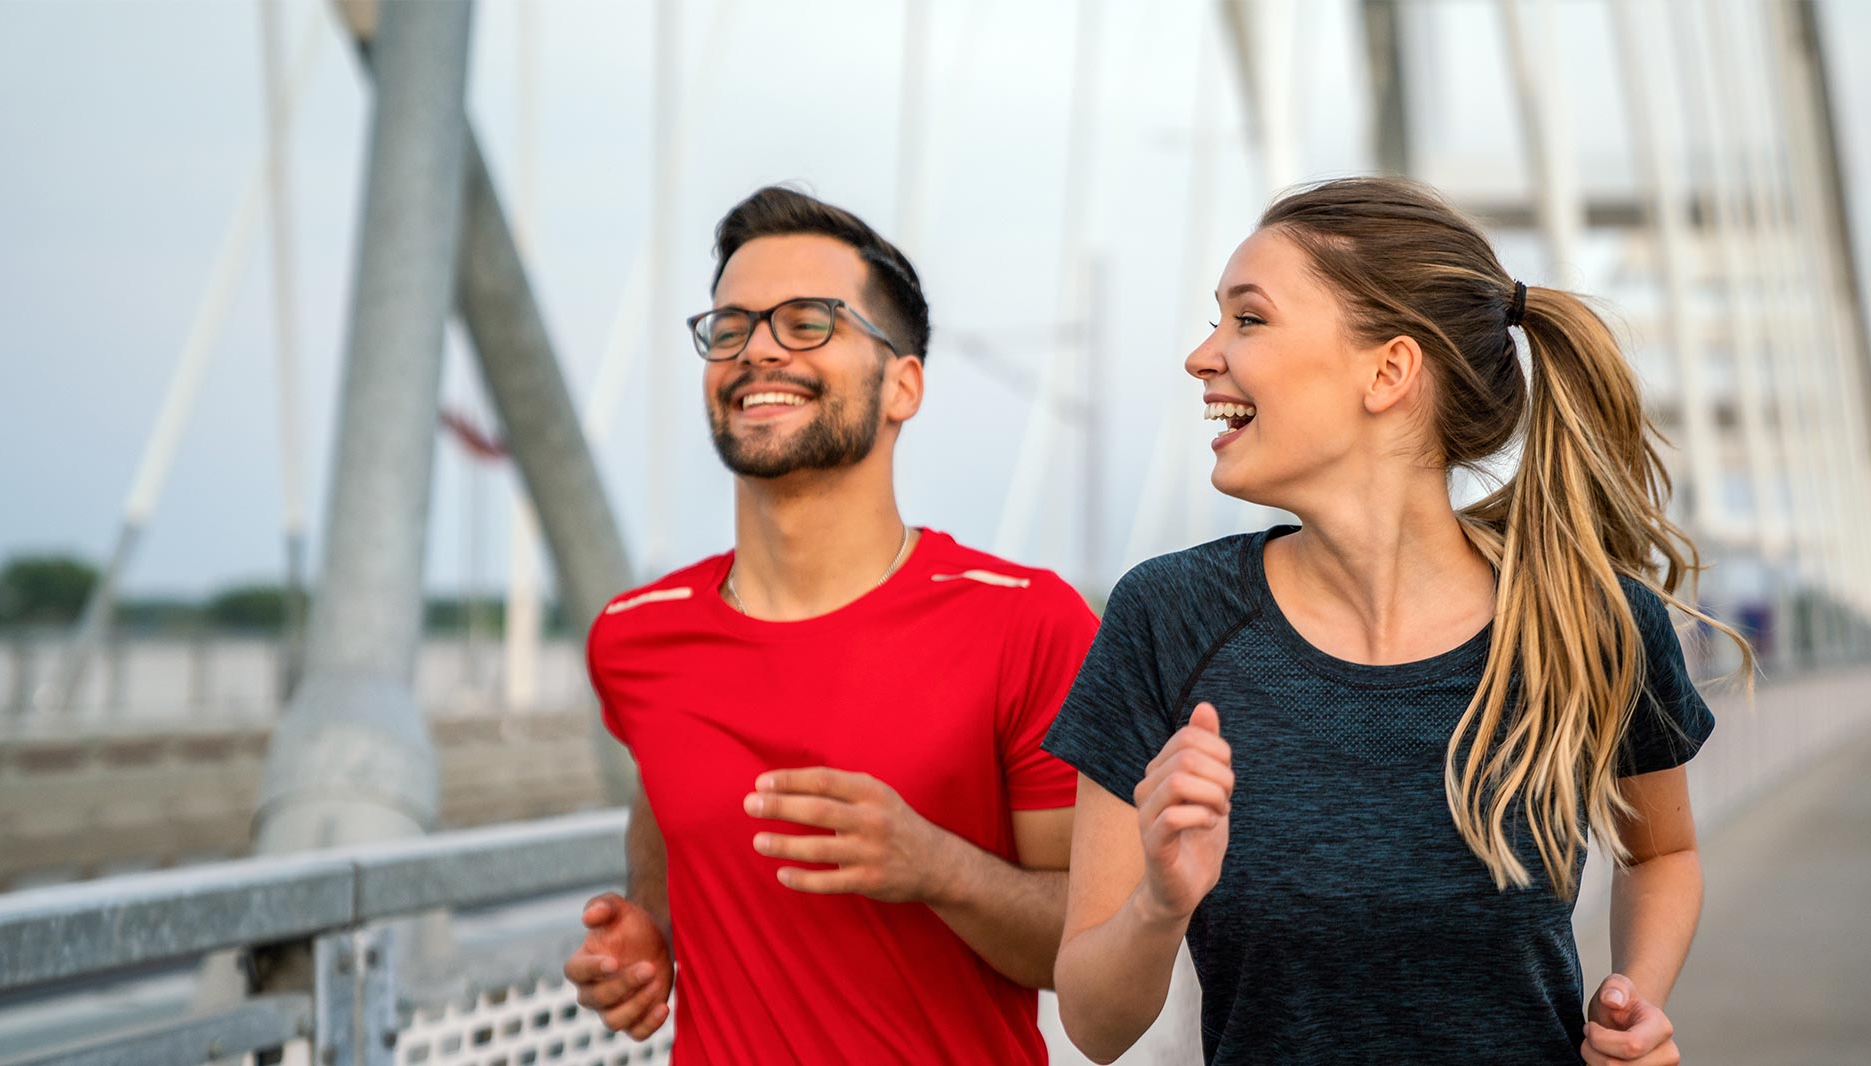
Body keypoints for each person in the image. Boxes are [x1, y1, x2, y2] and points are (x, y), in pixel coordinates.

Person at [1046, 177, 1750, 1065]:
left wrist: (1634, 999)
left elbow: (1663, 854)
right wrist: (1159, 898)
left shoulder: (1589, 622)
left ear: (1388, 372)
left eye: (1248, 320)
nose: (1202, 355)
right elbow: (1093, 1028)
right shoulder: (1168, 617)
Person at [563, 186, 1098, 1064]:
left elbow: (1085, 952)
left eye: (808, 322)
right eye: (729, 328)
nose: (758, 349)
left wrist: (934, 866)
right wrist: (645, 935)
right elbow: (663, 808)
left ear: (903, 385)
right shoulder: (635, 635)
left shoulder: (1027, 622)